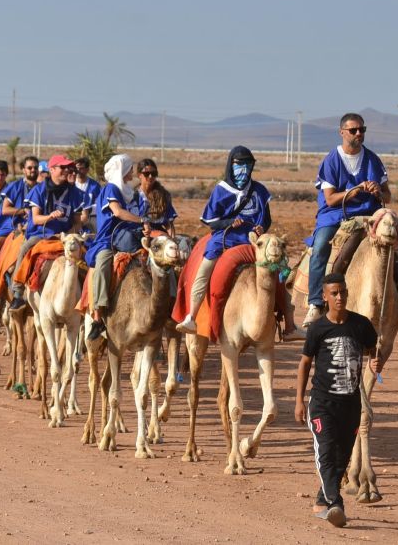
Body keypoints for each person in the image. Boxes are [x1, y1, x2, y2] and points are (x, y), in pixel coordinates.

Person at [303, 113, 398, 328]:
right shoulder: (331, 161)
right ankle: (316, 303)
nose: (358, 134)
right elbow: (329, 198)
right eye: (353, 130)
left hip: (369, 213)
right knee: (320, 245)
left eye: (362, 130)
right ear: (342, 132)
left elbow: (387, 195)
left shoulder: (373, 159)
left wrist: (378, 193)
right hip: (336, 214)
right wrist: (352, 191)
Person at [295, 272, 384, 528]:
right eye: (334, 293)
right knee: (326, 452)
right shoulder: (318, 328)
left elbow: (372, 350)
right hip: (323, 403)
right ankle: (336, 504)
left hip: (351, 403)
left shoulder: (361, 324)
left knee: (343, 456)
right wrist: (299, 401)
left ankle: (321, 500)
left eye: (343, 292)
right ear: (324, 297)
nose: (340, 297)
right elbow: (304, 364)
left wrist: (375, 362)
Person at [176, 146, 272, 333]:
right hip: (225, 237)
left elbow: (266, 218)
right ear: (230, 165)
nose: (243, 169)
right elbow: (211, 221)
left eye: (247, 164)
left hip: (253, 238)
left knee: (277, 265)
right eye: (239, 164)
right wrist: (229, 222)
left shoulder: (259, 190)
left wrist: (262, 227)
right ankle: (192, 316)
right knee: (204, 270)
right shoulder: (221, 190)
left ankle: (288, 321)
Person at [84, 154, 149, 340]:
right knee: (103, 262)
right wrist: (142, 220)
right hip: (108, 239)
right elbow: (118, 212)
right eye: (129, 168)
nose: (131, 171)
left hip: (130, 237)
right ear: (121, 170)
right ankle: (98, 314)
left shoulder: (130, 193)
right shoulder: (111, 189)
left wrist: (143, 228)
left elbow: (134, 215)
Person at [8, 154, 84, 310]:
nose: (66, 170)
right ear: (52, 169)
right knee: (24, 248)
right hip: (41, 235)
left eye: (68, 167)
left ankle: (88, 302)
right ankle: (17, 293)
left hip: (64, 237)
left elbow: (77, 222)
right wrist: (50, 216)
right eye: (62, 167)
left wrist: (68, 234)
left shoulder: (75, 193)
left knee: (87, 257)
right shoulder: (39, 190)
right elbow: (35, 219)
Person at [0, 156, 40, 299]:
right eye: (29, 168)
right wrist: (23, 211)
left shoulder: (43, 187)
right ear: (23, 170)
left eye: (35, 167)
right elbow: (4, 210)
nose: (33, 170)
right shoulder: (15, 187)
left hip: (37, 228)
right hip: (11, 227)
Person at [133, 158, 177, 238]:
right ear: (139, 175)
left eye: (153, 173)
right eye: (146, 173)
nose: (150, 176)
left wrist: (173, 240)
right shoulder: (132, 196)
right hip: (137, 234)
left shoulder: (163, 195)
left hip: (158, 236)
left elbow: (168, 224)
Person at [74, 157, 102, 233]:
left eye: (81, 168)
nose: (78, 171)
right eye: (76, 168)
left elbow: (100, 204)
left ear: (87, 169)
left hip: (91, 218)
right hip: (74, 217)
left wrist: (88, 209)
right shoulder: (71, 184)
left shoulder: (95, 186)